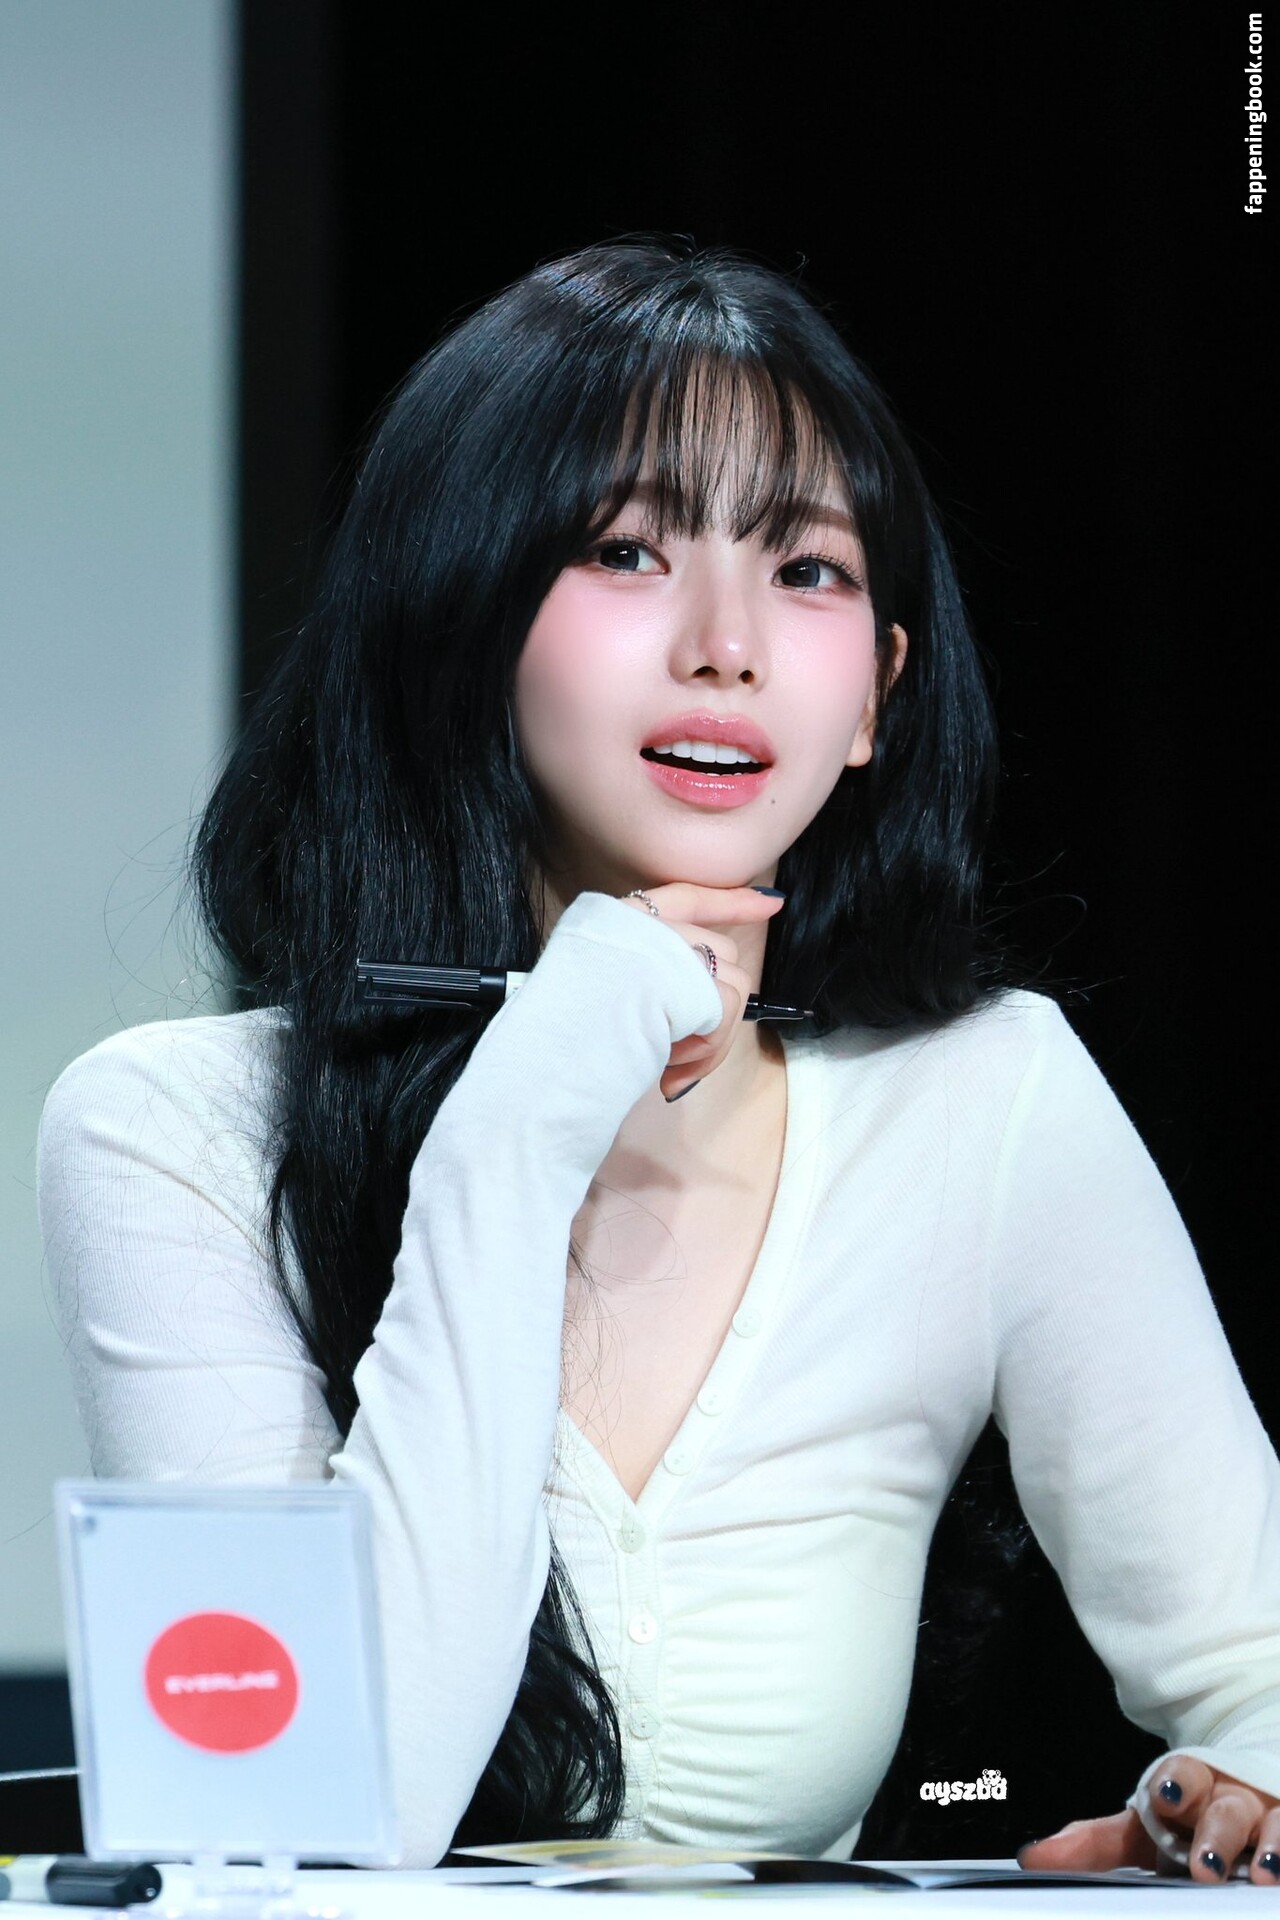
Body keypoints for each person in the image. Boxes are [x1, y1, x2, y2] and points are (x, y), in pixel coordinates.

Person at [37, 241, 1280, 1880]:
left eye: (810, 570)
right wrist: (528, 1108)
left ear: (876, 698)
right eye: (627, 548)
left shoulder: (989, 1103)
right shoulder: (169, 1134)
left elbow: (1260, 1677)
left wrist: (1233, 1812)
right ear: (459, 621)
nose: (726, 643)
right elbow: (316, 1820)